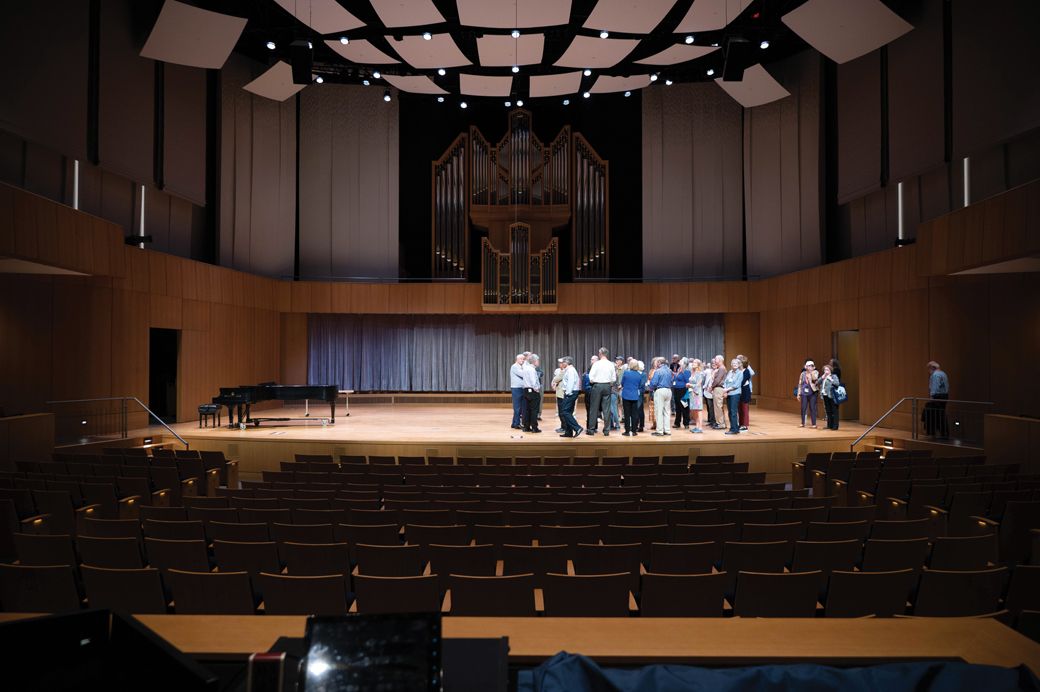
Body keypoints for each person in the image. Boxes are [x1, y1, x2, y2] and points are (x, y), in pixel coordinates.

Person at [586, 347, 616, 436]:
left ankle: (591, 429)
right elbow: (613, 378)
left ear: (600, 354)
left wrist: (594, 382)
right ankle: (606, 430)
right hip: (607, 386)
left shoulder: (596, 364)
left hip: (597, 386)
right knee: (606, 409)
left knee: (594, 408)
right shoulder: (611, 364)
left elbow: (591, 377)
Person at [557, 356, 583, 437]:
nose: (562, 364)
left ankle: (577, 428)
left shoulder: (571, 370)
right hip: (571, 393)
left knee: (565, 411)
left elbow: (570, 383)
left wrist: (567, 393)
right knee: (568, 412)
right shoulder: (568, 370)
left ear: (566, 363)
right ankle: (568, 432)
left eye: (563, 362)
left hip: (570, 393)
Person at [924, 361, 949, 438]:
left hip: (937, 397)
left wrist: (932, 397)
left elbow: (934, 388)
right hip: (944, 396)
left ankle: (932, 433)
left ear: (932, 368)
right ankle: (944, 433)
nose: (928, 371)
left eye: (929, 369)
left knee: (934, 415)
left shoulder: (935, 375)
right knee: (941, 414)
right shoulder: (943, 373)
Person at [649, 358, 673, 437]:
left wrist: (650, 387)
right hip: (668, 390)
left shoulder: (658, 371)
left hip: (660, 391)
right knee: (667, 411)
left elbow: (654, 383)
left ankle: (659, 431)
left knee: (659, 411)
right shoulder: (669, 371)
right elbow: (672, 381)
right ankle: (667, 430)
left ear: (659, 362)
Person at [621, 360, 644, 436]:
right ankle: (634, 431)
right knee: (634, 414)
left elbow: (622, 383)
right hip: (635, 396)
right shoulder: (639, 375)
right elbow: (640, 385)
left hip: (626, 396)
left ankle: (627, 431)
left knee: (627, 414)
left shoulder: (626, 373)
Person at [520, 354, 542, 433]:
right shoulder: (532, 370)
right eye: (538, 360)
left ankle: (526, 427)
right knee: (534, 410)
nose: (538, 362)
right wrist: (536, 389)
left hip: (526, 390)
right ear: (534, 361)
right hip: (532, 391)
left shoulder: (525, 368)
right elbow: (533, 381)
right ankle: (534, 428)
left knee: (527, 410)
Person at [722, 358, 743, 435]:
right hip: (728, 393)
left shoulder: (740, 373)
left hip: (735, 394)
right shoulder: (730, 372)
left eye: (736, 363)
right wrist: (725, 389)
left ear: (739, 365)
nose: (734, 364)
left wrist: (726, 390)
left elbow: (737, 385)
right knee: (730, 412)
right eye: (733, 363)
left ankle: (734, 429)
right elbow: (725, 382)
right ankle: (733, 427)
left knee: (733, 412)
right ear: (731, 364)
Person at [797, 360, 820, 428]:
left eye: (811, 366)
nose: (810, 367)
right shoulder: (803, 373)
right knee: (803, 408)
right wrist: (798, 393)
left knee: (813, 408)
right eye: (808, 366)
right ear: (806, 366)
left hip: (812, 392)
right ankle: (802, 422)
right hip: (804, 393)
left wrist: (811, 373)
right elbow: (800, 384)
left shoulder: (815, 372)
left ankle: (814, 423)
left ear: (813, 367)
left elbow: (815, 379)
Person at [819, 363, 840, 430]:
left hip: (832, 396)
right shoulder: (824, 376)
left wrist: (830, 379)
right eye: (825, 370)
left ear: (830, 370)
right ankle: (829, 425)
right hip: (825, 395)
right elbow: (817, 382)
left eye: (827, 369)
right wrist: (822, 377)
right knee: (828, 411)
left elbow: (837, 384)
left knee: (834, 411)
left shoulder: (833, 376)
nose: (826, 371)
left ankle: (835, 426)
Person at [687, 359, 705, 433]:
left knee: (698, 410)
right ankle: (697, 426)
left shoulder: (699, 373)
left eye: (695, 362)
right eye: (693, 362)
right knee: (694, 410)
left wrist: (690, 385)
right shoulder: (693, 372)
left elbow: (698, 384)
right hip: (692, 393)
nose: (693, 364)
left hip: (697, 394)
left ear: (698, 364)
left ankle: (700, 427)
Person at [672, 360, 691, 429]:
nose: (679, 362)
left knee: (684, 406)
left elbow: (688, 381)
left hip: (683, 390)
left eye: (681, 361)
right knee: (677, 407)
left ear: (684, 364)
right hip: (676, 390)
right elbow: (675, 379)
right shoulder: (679, 370)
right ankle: (677, 423)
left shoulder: (686, 371)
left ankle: (686, 423)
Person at [509, 353, 526, 429]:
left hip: (521, 388)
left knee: (520, 407)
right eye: (521, 359)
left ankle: (514, 423)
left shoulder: (521, 366)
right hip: (516, 388)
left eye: (523, 359)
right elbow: (523, 374)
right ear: (517, 359)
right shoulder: (514, 366)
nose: (522, 360)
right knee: (517, 407)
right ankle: (517, 424)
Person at [738, 354, 754, 431]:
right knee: (740, 409)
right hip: (739, 392)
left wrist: (735, 385)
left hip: (745, 392)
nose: (738, 364)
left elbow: (742, 381)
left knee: (744, 409)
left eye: (739, 363)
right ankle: (740, 424)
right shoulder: (738, 371)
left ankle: (744, 425)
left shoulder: (747, 371)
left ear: (743, 364)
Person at [710, 355, 727, 429]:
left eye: (716, 359)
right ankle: (719, 422)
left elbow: (717, 380)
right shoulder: (720, 368)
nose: (715, 360)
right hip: (717, 388)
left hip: (719, 388)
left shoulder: (722, 368)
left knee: (718, 406)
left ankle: (721, 424)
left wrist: (711, 387)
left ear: (720, 360)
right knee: (717, 407)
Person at [550, 359, 566, 433]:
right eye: (559, 363)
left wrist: (554, 382)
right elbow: (554, 380)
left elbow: (556, 379)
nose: (560, 364)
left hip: (562, 393)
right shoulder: (558, 370)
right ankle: (563, 426)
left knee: (562, 411)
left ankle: (564, 427)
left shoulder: (565, 371)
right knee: (561, 411)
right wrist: (553, 384)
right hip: (559, 392)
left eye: (561, 363)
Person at [609, 356, 624, 431]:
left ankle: (617, 425)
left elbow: (614, 383)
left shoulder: (613, 375)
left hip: (612, 393)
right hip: (612, 392)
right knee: (610, 409)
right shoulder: (615, 374)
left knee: (613, 409)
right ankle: (611, 424)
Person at [703, 358, 718, 428]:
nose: (713, 364)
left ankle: (715, 422)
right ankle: (711, 421)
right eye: (712, 363)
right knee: (710, 408)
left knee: (715, 408)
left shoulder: (718, 371)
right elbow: (703, 376)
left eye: (715, 363)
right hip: (707, 392)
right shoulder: (708, 371)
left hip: (714, 391)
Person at [582, 355, 596, 423]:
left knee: (589, 410)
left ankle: (589, 426)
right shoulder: (589, 375)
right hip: (595, 392)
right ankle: (594, 426)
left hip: (588, 393)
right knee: (594, 410)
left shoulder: (586, 375)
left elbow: (583, 386)